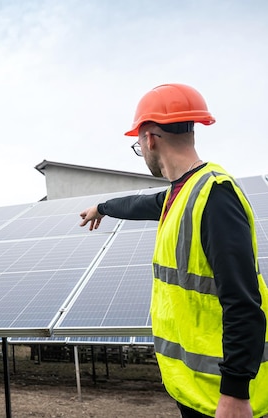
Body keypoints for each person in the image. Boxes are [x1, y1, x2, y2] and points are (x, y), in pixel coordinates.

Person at [79, 84, 268, 418]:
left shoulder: (214, 195)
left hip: (224, 396)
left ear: (150, 138)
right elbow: (139, 203)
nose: (142, 150)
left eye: (138, 144)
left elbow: (243, 301)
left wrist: (235, 393)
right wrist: (102, 207)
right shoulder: (180, 194)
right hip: (196, 387)